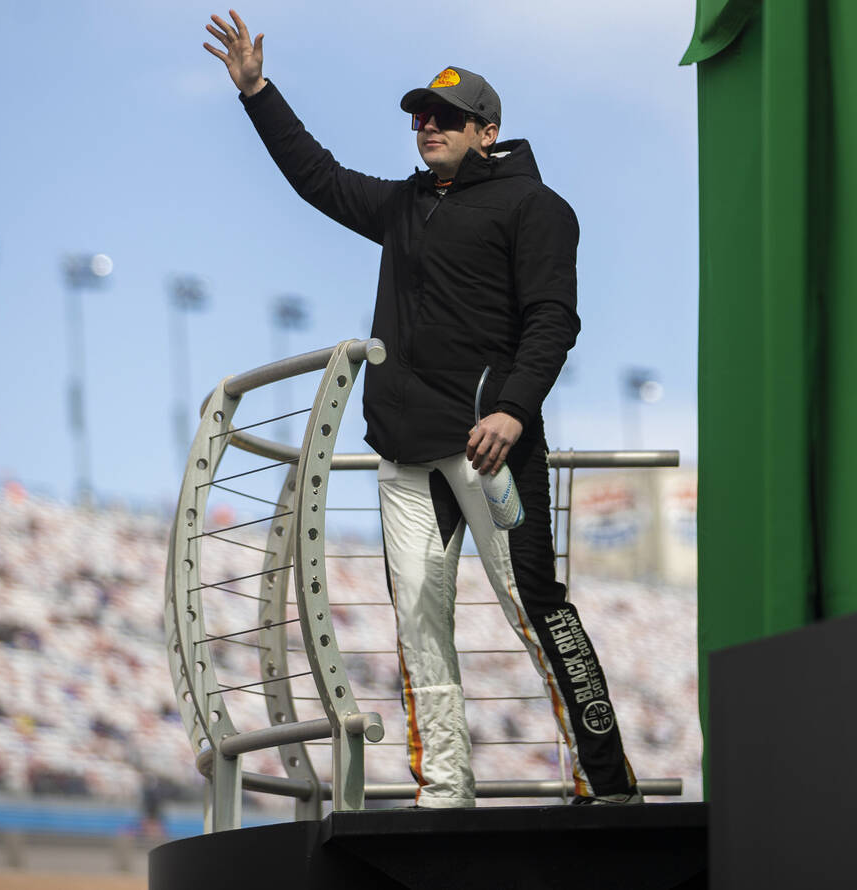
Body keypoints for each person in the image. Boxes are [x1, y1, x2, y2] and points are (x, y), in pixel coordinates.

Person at [204, 10, 642, 807]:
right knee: (417, 625)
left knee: (535, 609)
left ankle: (609, 789)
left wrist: (512, 410)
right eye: (419, 117)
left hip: (491, 449)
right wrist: (258, 92)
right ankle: (444, 790)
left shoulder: (536, 207)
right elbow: (318, 176)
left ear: (488, 130)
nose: (427, 126)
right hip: (404, 456)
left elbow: (553, 320)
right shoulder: (405, 205)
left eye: (445, 117)